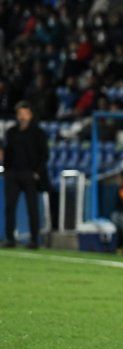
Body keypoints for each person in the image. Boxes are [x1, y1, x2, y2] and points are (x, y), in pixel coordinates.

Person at [2, 102, 49, 248]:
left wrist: (37, 173)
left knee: (32, 207)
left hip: (29, 174)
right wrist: (6, 170)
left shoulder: (38, 133)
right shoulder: (11, 132)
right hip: (13, 174)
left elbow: (44, 155)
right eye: (20, 114)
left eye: (25, 113)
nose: (22, 117)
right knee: (10, 207)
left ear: (30, 115)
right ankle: (10, 238)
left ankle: (34, 239)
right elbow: (7, 152)